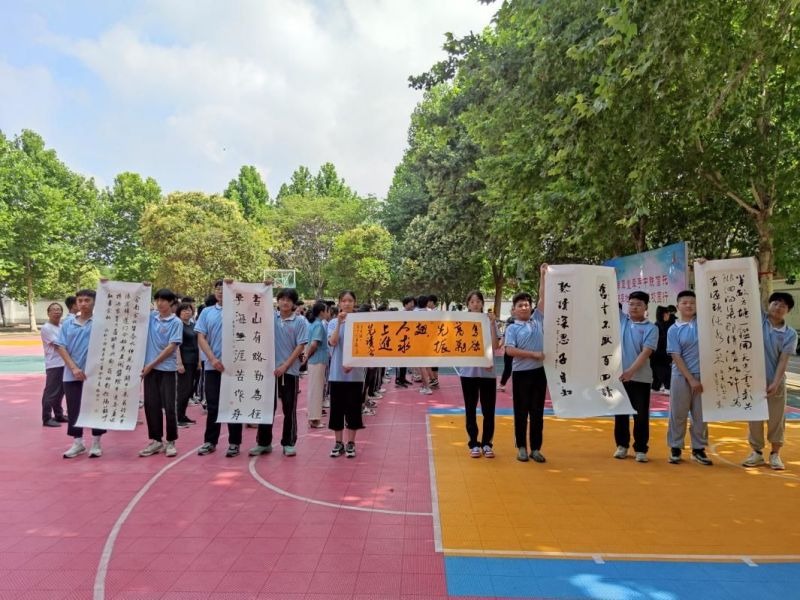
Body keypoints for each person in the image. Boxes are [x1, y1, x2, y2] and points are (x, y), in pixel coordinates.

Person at [249, 288, 308, 457]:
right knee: (266, 407)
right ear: (278, 300)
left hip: (290, 371)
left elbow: (300, 346)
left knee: (289, 408)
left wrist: (285, 366)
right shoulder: (269, 317)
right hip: (267, 371)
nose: (285, 302)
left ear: (294, 303)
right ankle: (263, 442)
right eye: (282, 299)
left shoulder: (300, 321)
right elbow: (250, 307)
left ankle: (288, 443)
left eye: (289, 300)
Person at [743, 292, 797, 470]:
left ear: (788, 310)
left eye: (783, 305)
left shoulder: (789, 334)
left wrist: (775, 383)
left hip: (776, 381)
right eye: (775, 303)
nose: (778, 307)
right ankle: (756, 452)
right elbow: (749, 294)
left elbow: (783, 360)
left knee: (776, 419)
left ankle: (775, 454)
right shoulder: (758, 320)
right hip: (753, 380)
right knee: (754, 417)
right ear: (769, 305)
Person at [54, 289, 105, 458]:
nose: (83, 303)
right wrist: (74, 368)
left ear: (94, 302)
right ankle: (78, 442)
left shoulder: (101, 322)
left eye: (87, 300)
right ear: (76, 303)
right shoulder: (68, 323)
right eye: (80, 300)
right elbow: (61, 346)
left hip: (95, 374)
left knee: (95, 408)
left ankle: (96, 442)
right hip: (72, 374)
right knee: (74, 408)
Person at [504, 264, 548, 463]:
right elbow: (509, 351)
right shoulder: (512, 328)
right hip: (521, 375)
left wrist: (543, 275)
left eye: (526, 304)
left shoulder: (537, 319)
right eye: (520, 305)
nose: (524, 307)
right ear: (514, 310)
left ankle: (536, 449)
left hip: (539, 374)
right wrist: (533, 354)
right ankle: (521, 447)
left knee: (537, 413)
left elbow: (542, 297)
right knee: (521, 412)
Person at [196, 279, 243, 457]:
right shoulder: (207, 312)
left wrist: (266, 286)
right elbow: (201, 337)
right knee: (213, 405)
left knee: (233, 404)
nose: (220, 291)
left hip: (235, 368)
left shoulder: (240, 310)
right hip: (212, 366)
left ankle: (234, 442)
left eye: (224, 288)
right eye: (218, 288)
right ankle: (210, 441)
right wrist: (212, 359)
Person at [666, 290, 711, 465]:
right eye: (684, 302)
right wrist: (691, 379)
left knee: (701, 415)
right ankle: (675, 447)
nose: (689, 305)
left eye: (692, 302)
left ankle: (698, 449)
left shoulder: (705, 325)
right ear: (678, 306)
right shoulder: (673, 329)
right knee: (678, 413)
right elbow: (676, 356)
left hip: (704, 377)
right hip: (680, 376)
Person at [614, 291, 659, 462]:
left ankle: (641, 449)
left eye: (639, 304)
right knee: (620, 413)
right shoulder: (621, 320)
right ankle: (622, 445)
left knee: (640, 415)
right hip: (620, 378)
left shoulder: (651, 328)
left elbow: (646, 352)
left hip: (641, 378)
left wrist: (630, 372)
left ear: (646, 307)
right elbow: (607, 299)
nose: (634, 307)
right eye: (631, 304)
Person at [139, 289, 183, 458]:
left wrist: (151, 364)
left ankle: (171, 441)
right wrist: (144, 288)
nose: (160, 303)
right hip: (150, 371)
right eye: (157, 299)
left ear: (171, 302)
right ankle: (156, 440)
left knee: (169, 407)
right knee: (151, 405)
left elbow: (171, 347)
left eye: (163, 300)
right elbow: (135, 307)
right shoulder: (151, 318)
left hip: (167, 370)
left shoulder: (176, 322)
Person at [458, 291, 500, 458]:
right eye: (472, 301)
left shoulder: (489, 320)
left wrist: (492, 323)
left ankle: (487, 444)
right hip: (468, 373)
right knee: (470, 409)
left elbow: (495, 346)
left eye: (478, 301)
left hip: (488, 373)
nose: (475, 304)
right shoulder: (461, 322)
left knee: (488, 411)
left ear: (482, 303)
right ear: (468, 304)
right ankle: (474, 443)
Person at [327, 290, 367, 458]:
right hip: (337, 374)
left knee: (353, 409)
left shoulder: (361, 322)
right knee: (337, 409)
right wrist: (339, 323)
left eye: (350, 300)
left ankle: (351, 442)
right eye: (344, 300)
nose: (347, 303)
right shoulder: (332, 323)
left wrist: (352, 363)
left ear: (355, 302)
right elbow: (333, 342)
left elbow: (365, 347)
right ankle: (338, 442)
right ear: (339, 303)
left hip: (355, 375)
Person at [40, 302, 68, 427]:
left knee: (61, 391)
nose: (57, 312)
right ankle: (46, 418)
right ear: (48, 313)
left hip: (64, 362)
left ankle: (59, 415)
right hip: (54, 364)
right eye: (53, 310)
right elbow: (59, 344)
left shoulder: (61, 326)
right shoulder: (46, 328)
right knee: (51, 392)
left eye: (59, 309)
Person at [303, 301, 330, 428]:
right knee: (316, 390)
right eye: (327, 310)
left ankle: (313, 416)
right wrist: (307, 356)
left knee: (315, 389)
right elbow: (314, 344)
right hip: (317, 360)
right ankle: (314, 419)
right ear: (321, 312)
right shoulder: (318, 325)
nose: (328, 313)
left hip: (316, 360)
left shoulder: (314, 324)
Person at [176, 302, 200, 427]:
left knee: (189, 390)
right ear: (179, 312)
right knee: (183, 390)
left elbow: (198, 343)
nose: (187, 312)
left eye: (189, 310)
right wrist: (179, 363)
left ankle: (182, 415)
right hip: (184, 361)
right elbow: (176, 345)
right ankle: (177, 417)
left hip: (193, 361)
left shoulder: (193, 325)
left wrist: (199, 362)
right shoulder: (178, 325)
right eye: (184, 310)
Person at [650, 306, 675, 392]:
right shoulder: (657, 326)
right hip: (659, 358)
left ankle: (656, 388)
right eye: (668, 314)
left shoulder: (666, 325)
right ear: (664, 314)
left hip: (662, 358)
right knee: (666, 378)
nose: (669, 315)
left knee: (657, 381)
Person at [395, 296, 417, 388]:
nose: (413, 305)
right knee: (400, 361)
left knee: (405, 361)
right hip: (400, 341)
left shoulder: (412, 314)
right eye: (411, 303)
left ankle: (403, 378)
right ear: (406, 304)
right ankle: (398, 380)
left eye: (413, 303)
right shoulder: (400, 314)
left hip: (408, 340)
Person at [498, 311, 515, 392]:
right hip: (510, 349)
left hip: (517, 349)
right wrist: (500, 344)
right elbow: (505, 334)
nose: (512, 311)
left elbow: (505, 335)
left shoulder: (525, 321)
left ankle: (502, 384)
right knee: (508, 368)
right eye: (511, 309)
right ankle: (502, 384)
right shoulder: (510, 320)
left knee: (509, 368)